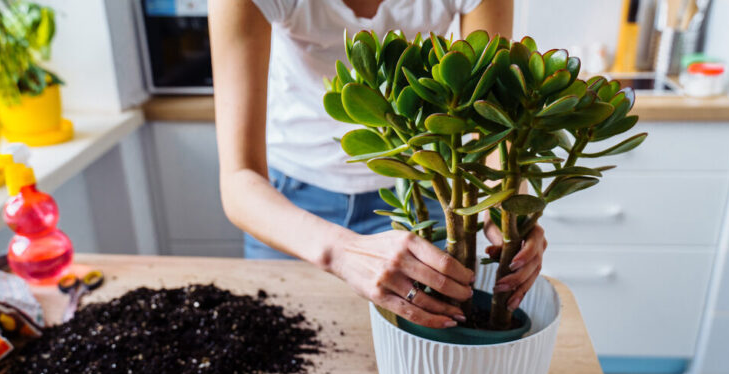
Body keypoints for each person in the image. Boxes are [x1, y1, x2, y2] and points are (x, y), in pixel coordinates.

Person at [209, 0, 547, 329]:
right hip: (290, 209)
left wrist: (504, 211)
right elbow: (240, 180)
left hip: (430, 195)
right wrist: (340, 252)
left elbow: (492, 118)